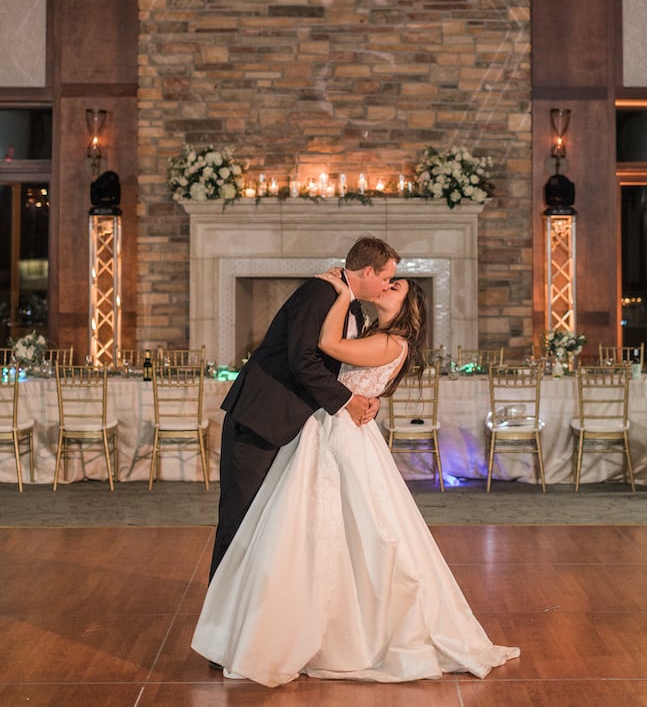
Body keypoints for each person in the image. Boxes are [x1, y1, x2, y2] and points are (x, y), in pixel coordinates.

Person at [192, 269, 520, 687]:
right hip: (325, 430)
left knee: (352, 528)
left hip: (341, 436)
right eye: (386, 280)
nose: (387, 286)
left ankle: (331, 629)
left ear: (406, 307)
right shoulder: (370, 332)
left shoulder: (388, 341)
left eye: (394, 286)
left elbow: (327, 347)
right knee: (314, 527)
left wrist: (344, 293)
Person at [209, 236, 401, 579]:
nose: (387, 285)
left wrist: (364, 395)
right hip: (261, 418)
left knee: (270, 519)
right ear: (368, 271)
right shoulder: (319, 294)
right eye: (386, 277)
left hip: (294, 424)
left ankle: (255, 602)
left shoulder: (350, 304)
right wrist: (348, 401)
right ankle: (221, 615)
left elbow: (340, 365)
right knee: (240, 516)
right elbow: (303, 361)